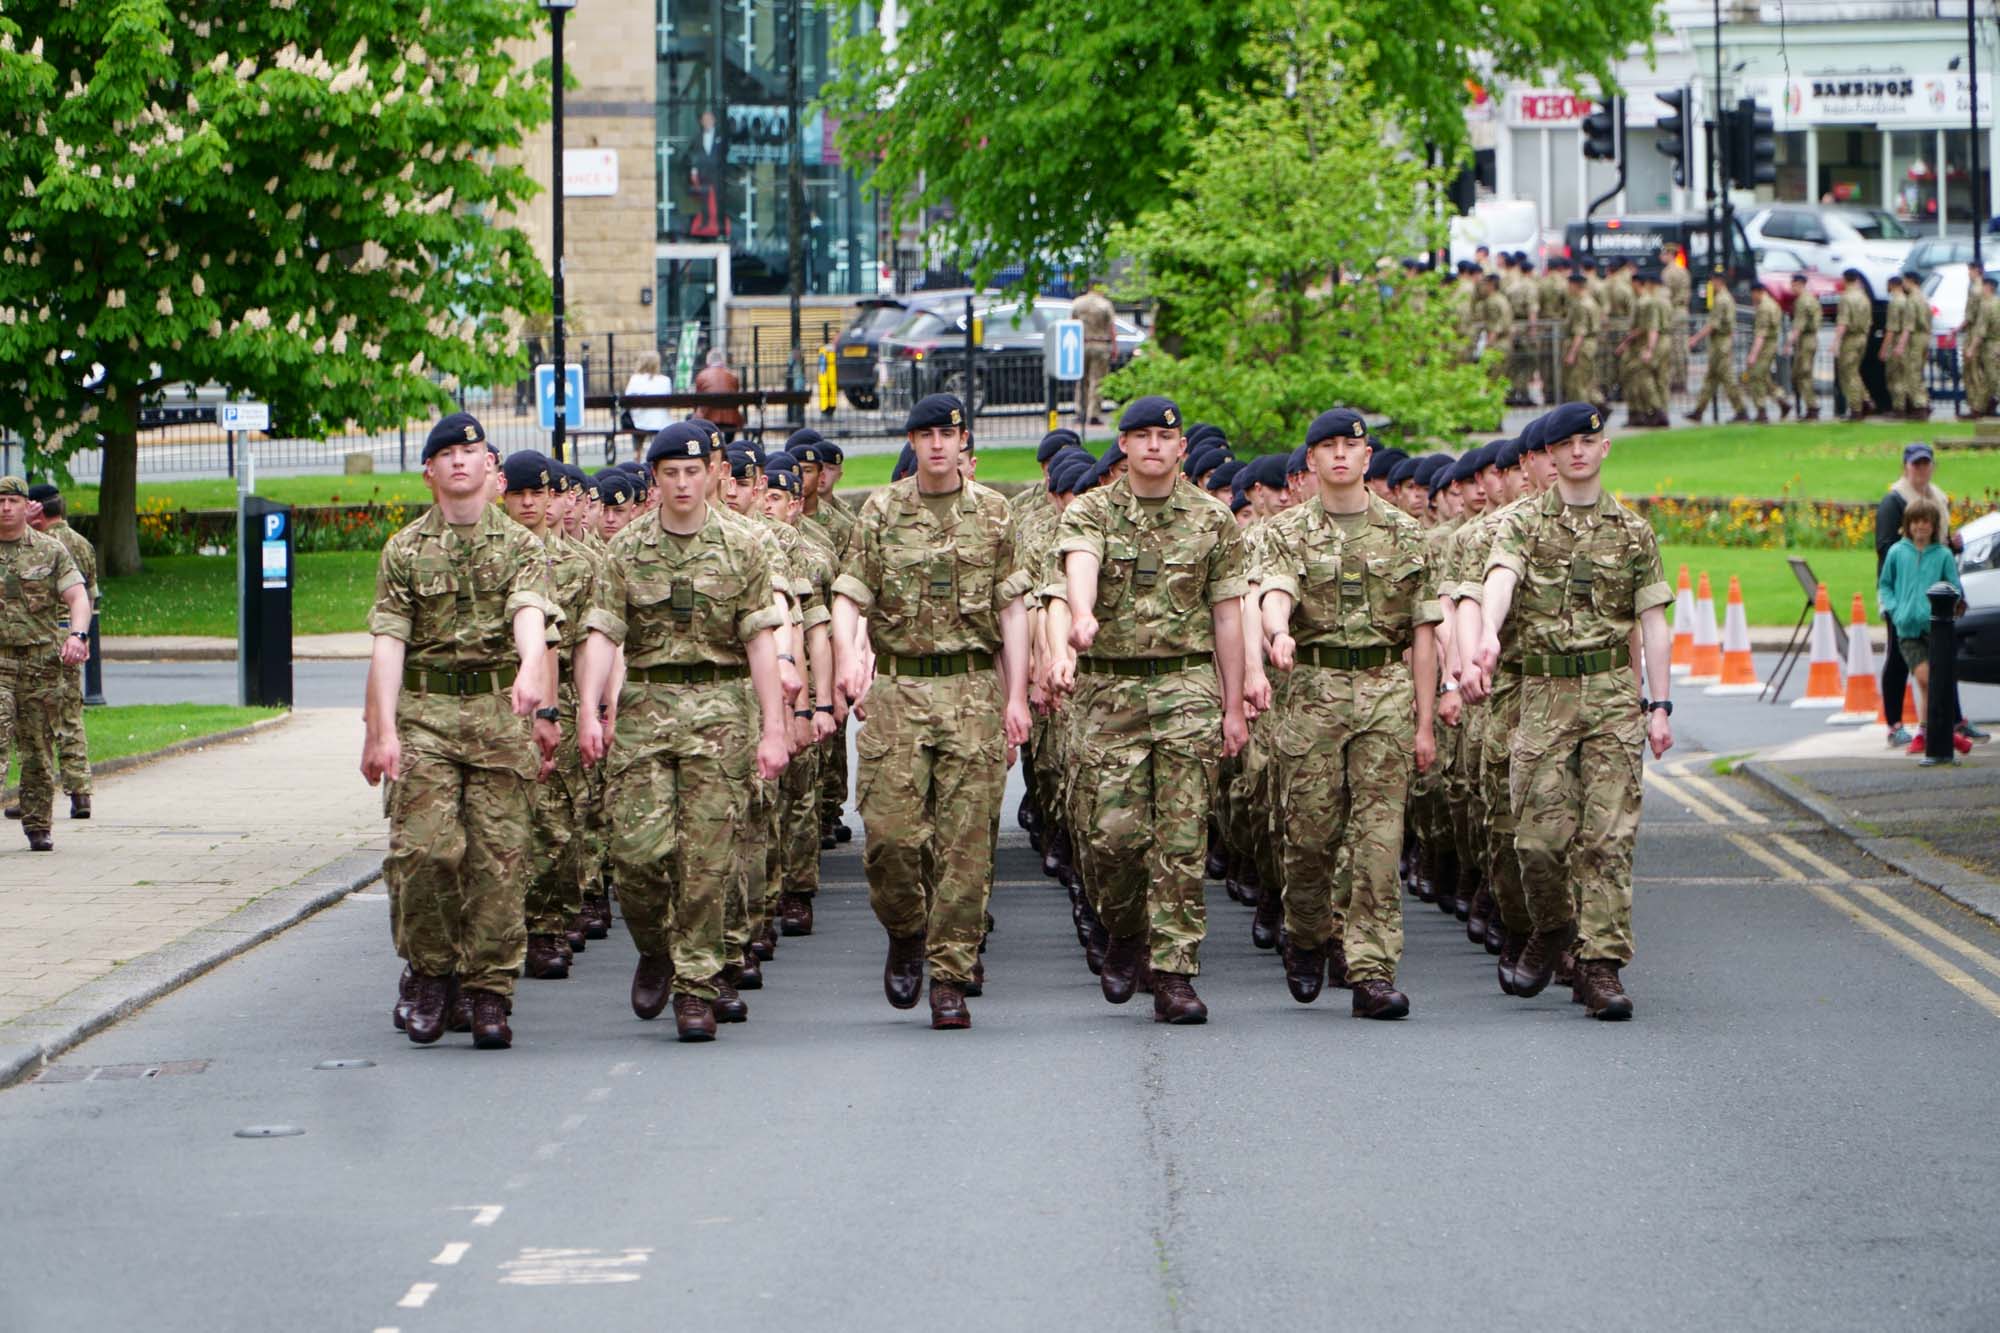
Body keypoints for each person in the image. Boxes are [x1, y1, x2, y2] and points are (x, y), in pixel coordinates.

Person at [574, 422, 791, 1042]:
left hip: (721, 708)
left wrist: (774, 727)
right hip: (646, 705)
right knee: (637, 855)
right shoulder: (627, 549)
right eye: (670, 473)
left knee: (706, 857)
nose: (683, 483)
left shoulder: (743, 547)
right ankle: (656, 947)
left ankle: (695, 986)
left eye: (693, 472)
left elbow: (759, 640)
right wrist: (591, 710)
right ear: (655, 480)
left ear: (712, 475)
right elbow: (601, 633)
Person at [1044, 395, 1250, 1025]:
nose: (1153, 447)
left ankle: (1175, 972)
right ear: (1125, 446)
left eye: (1165, 438)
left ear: (1181, 447)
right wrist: (1081, 615)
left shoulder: (1214, 522)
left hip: (1187, 688)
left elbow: (1227, 618)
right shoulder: (1092, 512)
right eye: (1139, 437)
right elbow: (1082, 562)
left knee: (1183, 837)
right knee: (1111, 838)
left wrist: (1234, 705)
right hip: (1110, 694)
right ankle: (1126, 929)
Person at [831, 393, 1033, 1031]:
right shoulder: (882, 511)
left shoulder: (995, 513)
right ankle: (906, 928)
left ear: (963, 441)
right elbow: (849, 596)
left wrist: (1017, 696)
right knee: (890, 839)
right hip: (898, 692)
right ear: (913, 443)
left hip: (971, 690)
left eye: (948, 434)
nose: (938, 445)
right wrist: (846, 659)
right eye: (925, 435)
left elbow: (1011, 611)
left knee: (966, 846)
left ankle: (950, 975)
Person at [1470, 402, 1675, 1021]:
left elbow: (1653, 622)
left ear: (1603, 449)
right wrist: (1487, 634)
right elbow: (1500, 579)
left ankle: (1602, 966)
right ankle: (1555, 926)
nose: (1578, 452)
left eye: (1588, 441)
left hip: (1612, 694)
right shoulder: (1523, 525)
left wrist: (1659, 704)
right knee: (1536, 840)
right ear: (1550, 456)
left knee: (1609, 838)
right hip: (1544, 695)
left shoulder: (1633, 532)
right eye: (1566, 444)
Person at [361, 414, 558, 1049]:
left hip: (500, 718)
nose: (460, 461)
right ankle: (430, 973)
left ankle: (489, 990)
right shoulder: (405, 550)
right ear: (430, 472)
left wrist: (531, 668)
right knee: (423, 851)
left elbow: (529, 612)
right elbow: (389, 644)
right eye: (447, 453)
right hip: (427, 719)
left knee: (499, 861)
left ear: (489, 469)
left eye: (470, 451)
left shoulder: (523, 547)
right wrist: (380, 730)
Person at [1257, 408, 1440, 1019]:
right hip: (1313, 690)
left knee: (1379, 842)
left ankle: (1372, 969)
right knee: (1308, 835)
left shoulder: (1406, 534)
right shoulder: (1285, 532)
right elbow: (1275, 589)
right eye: (1326, 447)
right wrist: (1277, 631)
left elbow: (1422, 632)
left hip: (1385, 690)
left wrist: (1423, 722)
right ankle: (1307, 933)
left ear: (1367, 457)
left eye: (1350, 446)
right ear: (1310, 461)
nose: (1339, 456)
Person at [497, 451, 601, 982]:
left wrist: (591, 707)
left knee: (558, 823)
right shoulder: (496, 556)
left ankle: (545, 925)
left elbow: (586, 645)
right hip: (497, 703)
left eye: (540, 492)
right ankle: (503, 929)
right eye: (520, 493)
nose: (531, 503)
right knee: (501, 823)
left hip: (557, 698)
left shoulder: (580, 565)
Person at [0, 476, 91, 854]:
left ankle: (38, 825)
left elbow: (78, 598)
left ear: (28, 507)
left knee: (37, 750)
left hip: (39, 665)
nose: (6, 508)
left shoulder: (50, 551)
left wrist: (77, 636)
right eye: (0, 500)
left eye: (13, 501)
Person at [1873, 443, 1986, 747]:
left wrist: (1952, 546)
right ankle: (1895, 723)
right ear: (1906, 467)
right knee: (1899, 658)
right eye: (1915, 464)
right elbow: (1886, 549)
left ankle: (1952, 721)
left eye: (1926, 464)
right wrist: (1895, 604)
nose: (1921, 469)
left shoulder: (1936, 497)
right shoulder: (1894, 502)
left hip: (1936, 599)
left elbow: (1941, 544)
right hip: (1905, 597)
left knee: (1943, 658)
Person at [1877, 497, 1971, 757]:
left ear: (1934, 525)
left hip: (1936, 630)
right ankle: (1942, 733)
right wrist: (1895, 609)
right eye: (1916, 522)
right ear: (1908, 525)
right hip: (1907, 629)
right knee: (1925, 678)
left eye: (1926, 522)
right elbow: (1885, 584)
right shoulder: (1897, 552)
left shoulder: (1942, 555)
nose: (1921, 527)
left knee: (1933, 684)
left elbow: (1953, 586)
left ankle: (1927, 733)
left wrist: (1951, 605)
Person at [26, 483, 95, 818]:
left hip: (41, 638)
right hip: (72, 638)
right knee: (70, 715)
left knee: (36, 719)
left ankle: (36, 796)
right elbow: (89, 595)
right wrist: (82, 637)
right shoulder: (83, 544)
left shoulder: (40, 545)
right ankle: (80, 791)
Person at [1686, 269, 1749, 423]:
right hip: (1719, 343)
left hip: (1721, 343)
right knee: (1710, 379)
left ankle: (1741, 410)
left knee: (1728, 379)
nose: (1711, 284)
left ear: (1718, 281)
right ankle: (1698, 411)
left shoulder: (1722, 300)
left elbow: (1713, 324)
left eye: (1712, 281)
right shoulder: (1724, 298)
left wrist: (1695, 338)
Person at [1072, 284, 1118, 429]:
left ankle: (1081, 412)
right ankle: (1094, 415)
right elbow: (1112, 327)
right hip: (1100, 344)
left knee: (1082, 380)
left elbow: (1072, 324)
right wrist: (1114, 346)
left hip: (1082, 344)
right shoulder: (1104, 304)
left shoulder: (1078, 303)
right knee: (1098, 381)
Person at [1834, 269, 1875, 420]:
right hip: (1862, 337)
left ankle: (1856, 408)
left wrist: (1836, 342)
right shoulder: (1864, 297)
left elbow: (1843, 322)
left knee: (1848, 373)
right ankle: (1865, 400)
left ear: (1845, 280)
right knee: (1854, 371)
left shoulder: (1846, 298)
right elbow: (1869, 321)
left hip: (1850, 338)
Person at [1744, 282, 1786, 422]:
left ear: (1758, 292)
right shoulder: (1773, 304)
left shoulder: (1764, 307)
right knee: (1764, 377)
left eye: (1753, 294)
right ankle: (1781, 401)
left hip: (1765, 347)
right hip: (1771, 345)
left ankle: (1761, 411)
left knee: (1756, 376)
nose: (1752, 297)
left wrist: (1752, 355)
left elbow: (1760, 334)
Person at [623, 351, 676, 453]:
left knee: (637, 426)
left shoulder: (635, 379)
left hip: (639, 423)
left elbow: (627, 401)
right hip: (661, 422)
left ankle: (637, 454)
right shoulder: (665, 380)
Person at [1786, 273, 1821, 421]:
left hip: (1806, 340)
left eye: (1792, 284)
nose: (1791, 287)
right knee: (1800, 374)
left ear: (1798, 284)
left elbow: (1798, 326)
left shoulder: (1803, 301)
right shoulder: (1811, 299)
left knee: (1803, 374)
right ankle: (1810, 406)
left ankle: (1812, 407)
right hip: (1809, 339)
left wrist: (1788, 343)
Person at [1958, 260, 1989, 419]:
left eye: (1969, 270)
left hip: (1973, 333)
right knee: (1978, 370)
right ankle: (1980, 405)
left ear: (1976, 270)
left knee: (1972, 371)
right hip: (1981, 334)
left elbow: (1970, 316)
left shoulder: (1975, 290)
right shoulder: (1983, 290)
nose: (1968, 274)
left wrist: (1958, 329)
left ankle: (1976, 407)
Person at [692, 348, 744, 443]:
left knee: (692, 418)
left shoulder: (702, 375)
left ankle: (710, 445)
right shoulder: (732, 375)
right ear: (722, 361)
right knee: (732, 415)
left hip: (708, 418)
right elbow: (736, 401)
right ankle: (728, 445)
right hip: (731, 420)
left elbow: (697, 401)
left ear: (708, 361)